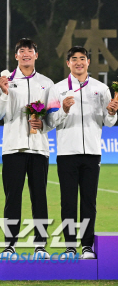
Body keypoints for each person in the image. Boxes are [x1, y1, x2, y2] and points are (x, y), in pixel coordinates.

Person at [46, 46, 118, 259]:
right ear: (68, 63)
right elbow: (50, 122)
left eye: (82, 59)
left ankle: (87, 246)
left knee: (89, 201)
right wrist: (64, 110)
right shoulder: (57, 89)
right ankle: (70, 246)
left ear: (88, 62)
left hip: (93, 153)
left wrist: (113, 112)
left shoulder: (101, 89)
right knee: (68, 201)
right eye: (74, 59)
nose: (78, 62)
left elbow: (109, 122)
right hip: (67, 152)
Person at [0, 39, 54, 259]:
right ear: (15, 56)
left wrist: (43, 124)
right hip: (12, 148)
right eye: (21, 51)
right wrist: (4, 91)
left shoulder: (47, 83)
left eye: (30, 51)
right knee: (12, 198)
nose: (26, 54)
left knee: (40, 198)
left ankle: (40, 246)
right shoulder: (6, 81)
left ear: (37, 55)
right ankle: (10, 245)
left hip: (39, 149)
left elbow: (53, 117)